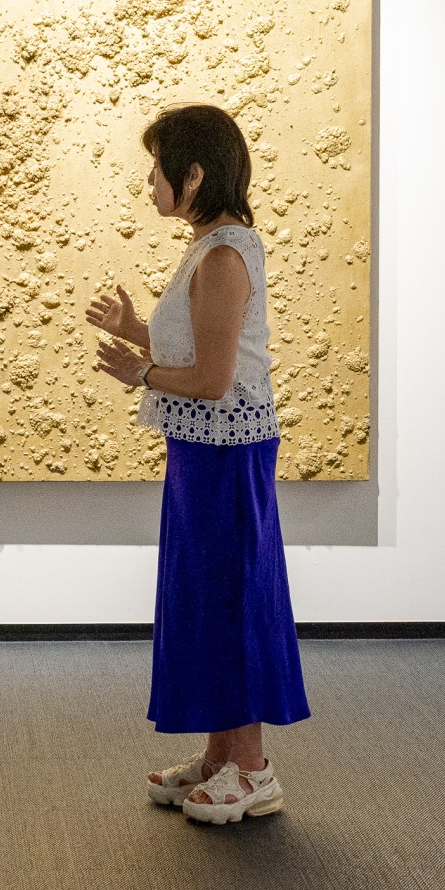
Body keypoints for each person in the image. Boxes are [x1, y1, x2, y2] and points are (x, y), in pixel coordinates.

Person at [88, 102, 309, 825]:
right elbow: (197, 355)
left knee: (229, 596)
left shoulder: (225, 252)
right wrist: (137, 333)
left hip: (229, 456)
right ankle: (220, 758)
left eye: (158, 170)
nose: (149, 183)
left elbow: (213, 380)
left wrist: (139, 374)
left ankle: (252, 769)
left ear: (195, 172)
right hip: (203, 452)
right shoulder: (207, 244)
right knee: (206, 596)